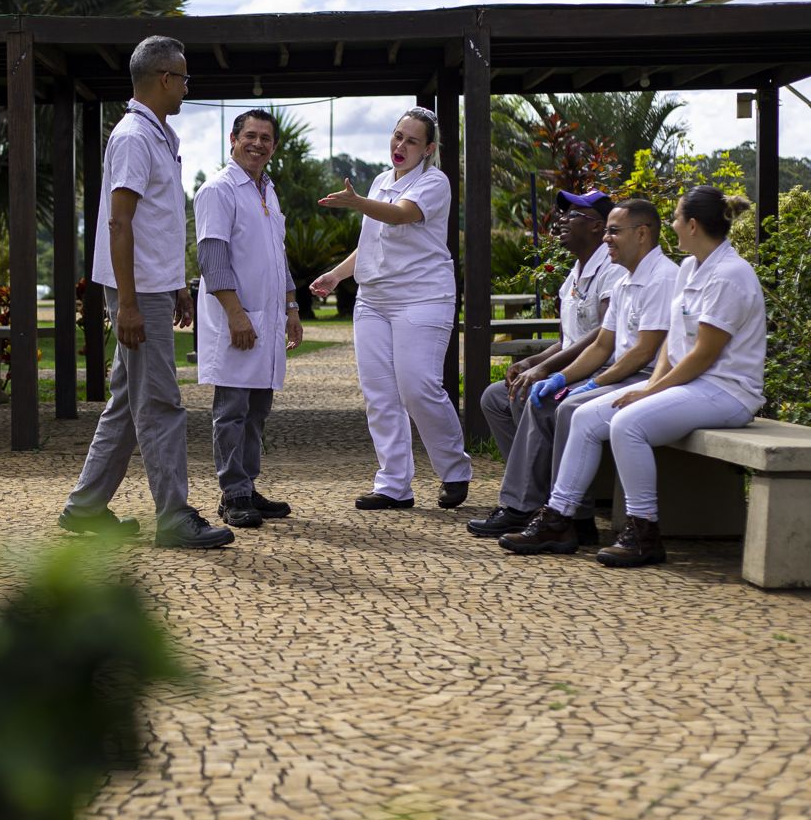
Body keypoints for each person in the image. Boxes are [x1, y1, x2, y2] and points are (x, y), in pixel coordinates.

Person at [501, 187, 763, 566]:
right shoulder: (692, 268)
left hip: (727, 391)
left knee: (628, 424)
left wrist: (649, 392)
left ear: (692, 224)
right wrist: (650, 387)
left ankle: (644, 532)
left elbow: (705, 354)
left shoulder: (729, 275)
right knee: (587, 416)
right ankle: (560, 517)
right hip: (691, 384)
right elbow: (672, 346)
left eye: (675, 218)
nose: (671, 225)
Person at [59, 36, 234, 549]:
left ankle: (85, 508)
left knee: (127, 402)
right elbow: (120, 223)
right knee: (160, 403)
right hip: (136, 293)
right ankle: (174, 517)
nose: (185, 87)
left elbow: (158, 222)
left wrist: (177, 282)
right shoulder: (135, 135)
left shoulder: (159, 135)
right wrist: (130, 303)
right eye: (183, 78)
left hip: (154, 287)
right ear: (164, 79)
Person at [468, 193, 660, 539]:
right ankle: (538, 495)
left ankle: (541, 508)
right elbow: (568, 338)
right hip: (583, 365)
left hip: (605, 370)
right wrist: (532, 362)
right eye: (562, 213)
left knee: (542, 402)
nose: (561, 220)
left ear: (597, 225)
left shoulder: (613, 268)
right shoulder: (575, 271)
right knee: (495, 398)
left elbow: (604, 338)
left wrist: (550, 372)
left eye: (573, 215)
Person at [310, 107, 472, 510]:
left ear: (428, 149)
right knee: (380, 395)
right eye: (398, 136)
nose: (400, 146)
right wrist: (336, 275)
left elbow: (400, 217)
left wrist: (356, 202)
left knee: (417, 388)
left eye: (412, 140)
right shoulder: (383, 180)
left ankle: (454, 470)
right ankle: (394, 485)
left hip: (423, 298)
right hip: (373, 301)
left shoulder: (435, 183)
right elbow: (373, 242)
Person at [194, 109, 304, 528]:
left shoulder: (268, 192)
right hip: (237, 320)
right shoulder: (218, 190)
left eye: (266, 138)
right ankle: (233, 492)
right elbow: (212, 256)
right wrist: (236, 315)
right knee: (232, 410)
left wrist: (292, 306)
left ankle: (248, 486)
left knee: (257, 409)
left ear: (274, 147)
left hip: (269, 319)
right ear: (233, 139)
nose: (258, 143)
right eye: (250, 136)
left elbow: (278, 256)